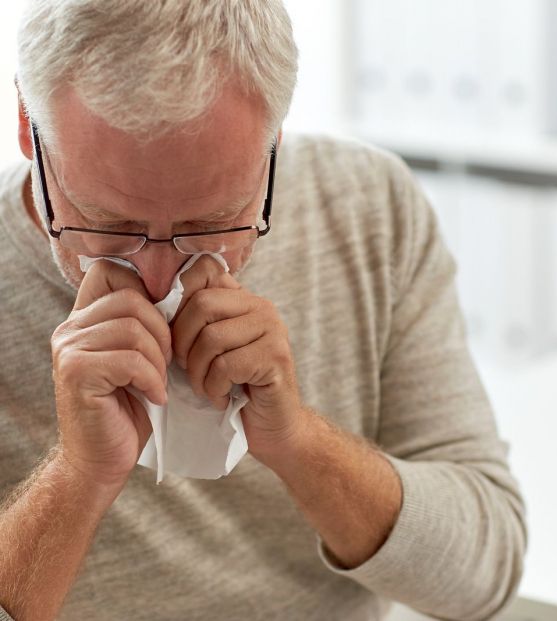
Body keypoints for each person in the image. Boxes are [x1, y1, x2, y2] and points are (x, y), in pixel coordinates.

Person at [0, 1, 527, 620]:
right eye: (109, 225)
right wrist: (77, 478)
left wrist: (297, 440)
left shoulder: (367, 207)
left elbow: (483, 578)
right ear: (28, 128)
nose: (160, 276)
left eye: (212, 224)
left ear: (273, 140)